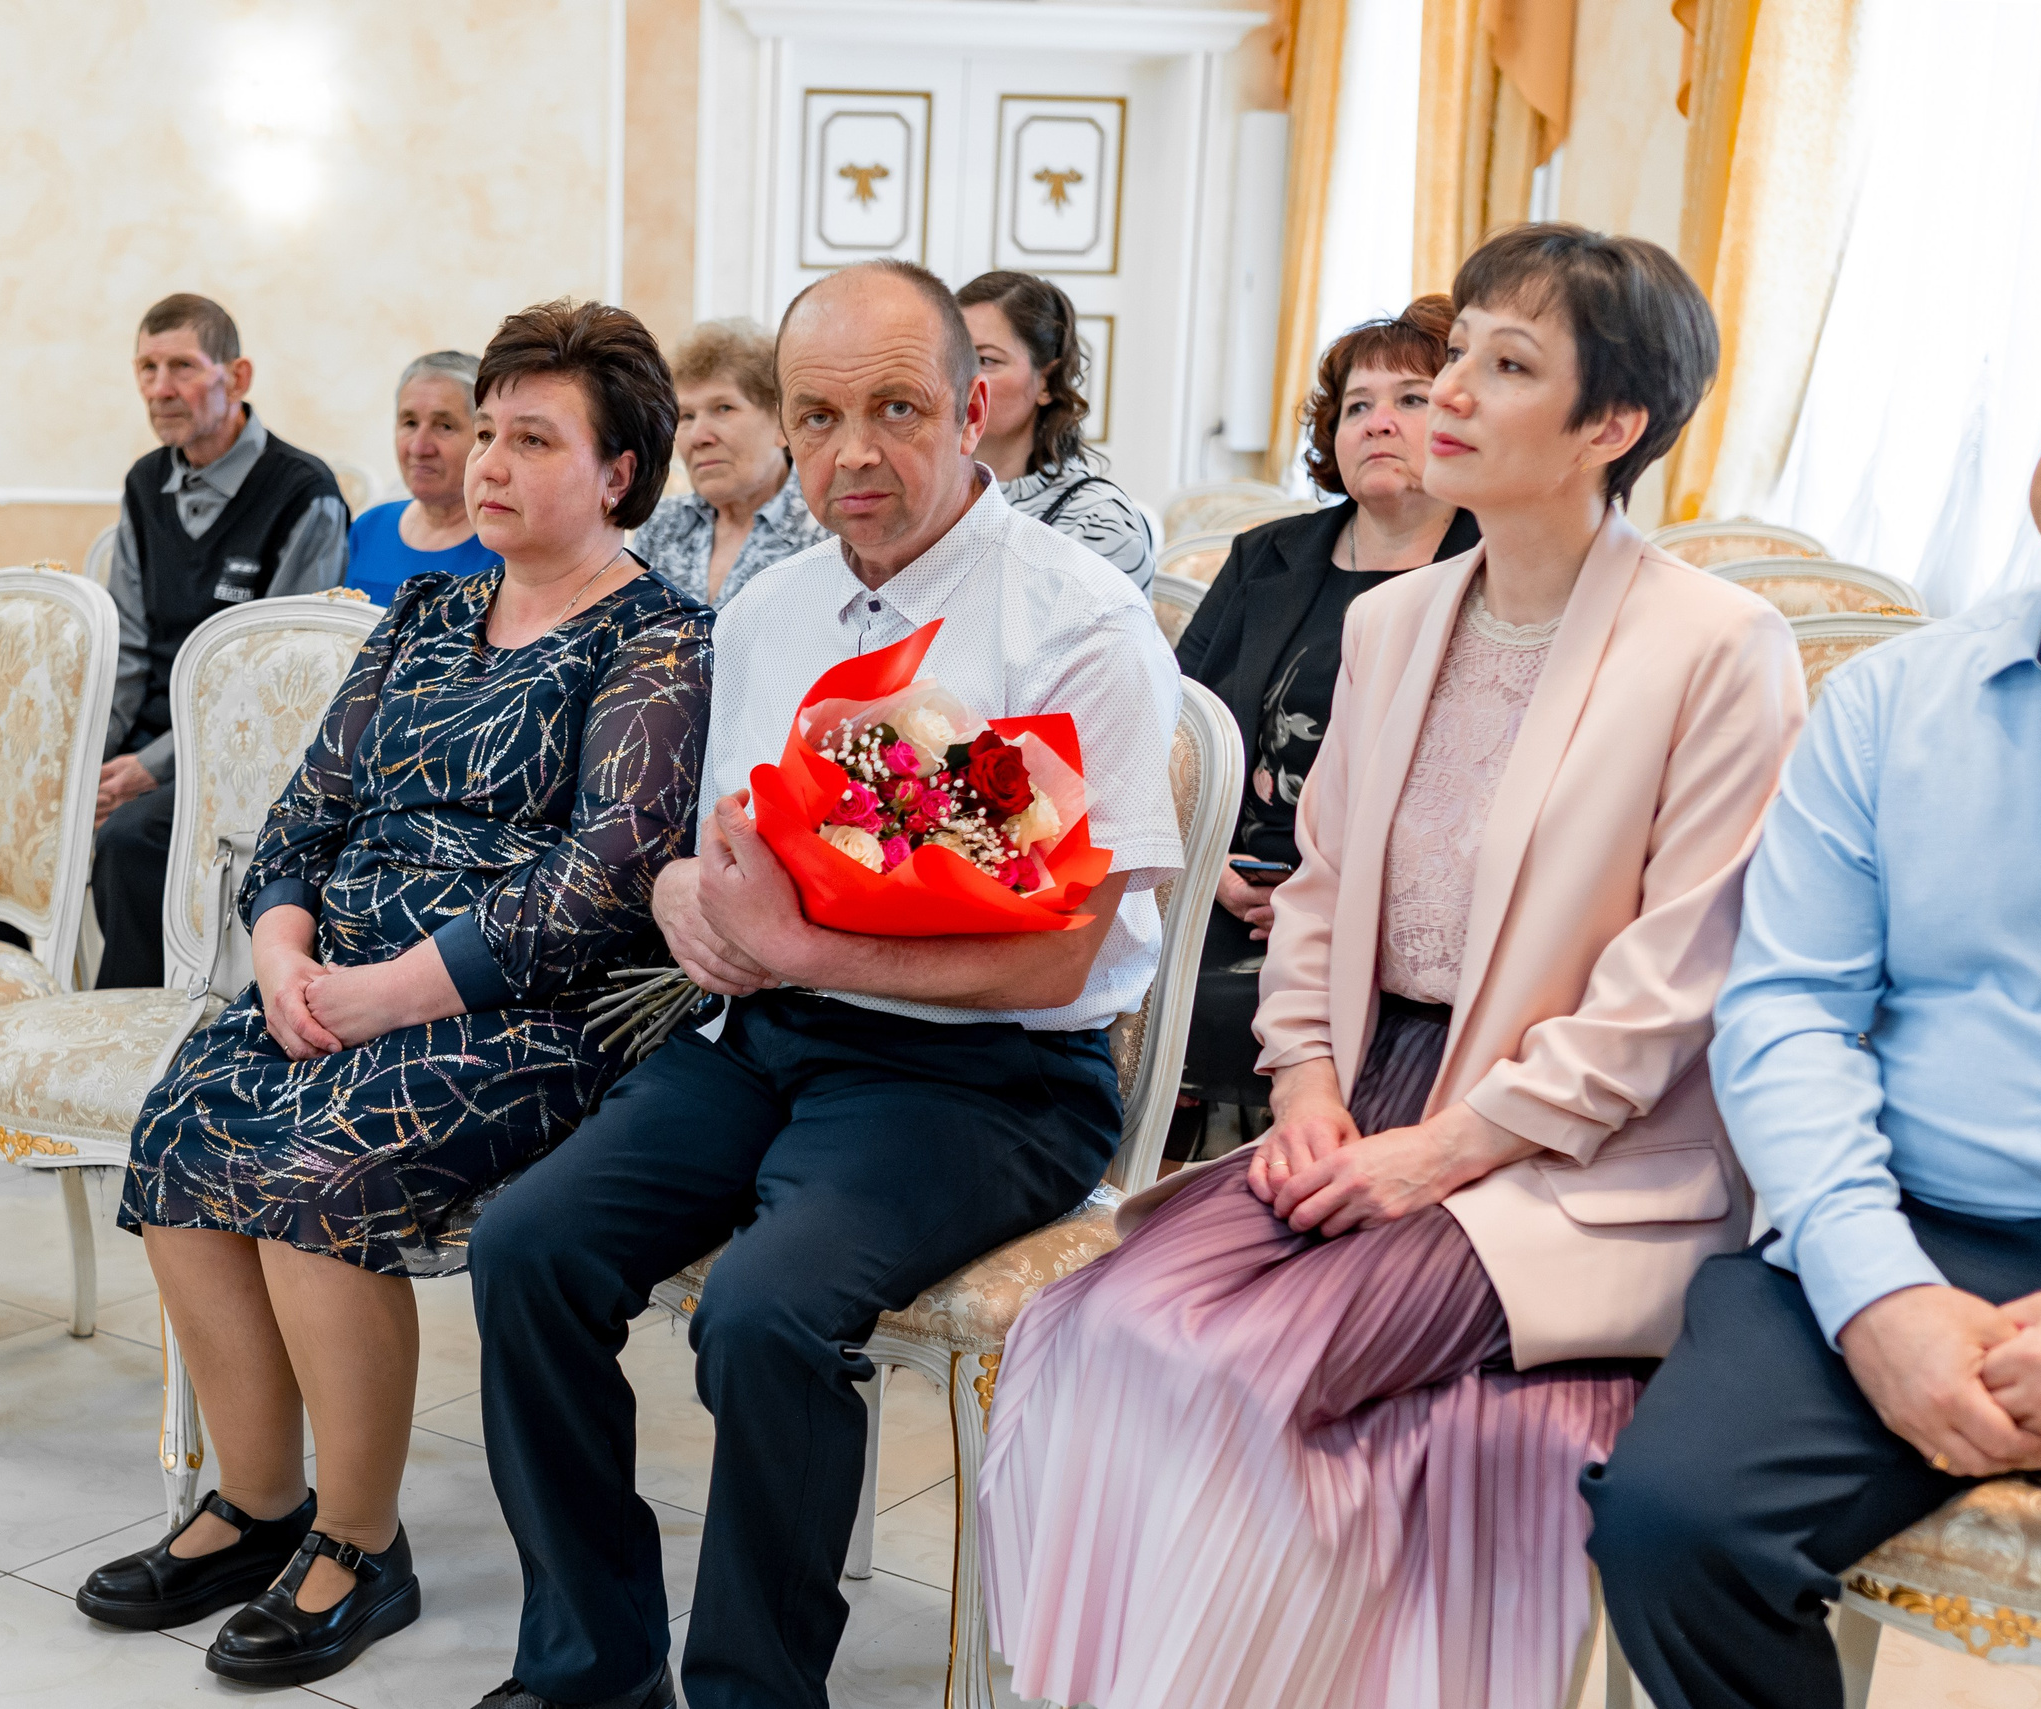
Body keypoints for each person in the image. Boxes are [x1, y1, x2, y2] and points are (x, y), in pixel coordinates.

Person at [975, 224, 1806, 1709]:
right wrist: (1300, 1082)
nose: (1448, 390)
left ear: (1609, 427)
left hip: (1572, 1142)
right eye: (1458, 349)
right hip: (1366, 1084)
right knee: (1100, 1327)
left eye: (1507, 364)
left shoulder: (1720, 647)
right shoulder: (1399, 616)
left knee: (1244, 1374)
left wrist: (1437, 1157)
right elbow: (1325, 887)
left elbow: (1674, 991)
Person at [462, 259, 1182, 1709]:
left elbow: (1065, 951)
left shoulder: (1081, 622)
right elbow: (716, 851)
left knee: (766, 1314)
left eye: (898, 408)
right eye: (820, 415)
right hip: (767, 1039)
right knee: (528, 1249)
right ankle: (591, 1667)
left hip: (991, 1077)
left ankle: (753, 1691)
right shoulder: (768, 612)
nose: (856, 454)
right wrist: (689, 903)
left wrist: (801, 949)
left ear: (973, 408)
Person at [81, 300, 712, 1690]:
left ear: (619, 473)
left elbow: (598, 885)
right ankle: (258, 1505)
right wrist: (285, 951)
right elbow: (305, 809)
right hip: (337, 974)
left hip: (522, 1017)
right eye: (484, 430)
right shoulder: (426, 609)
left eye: (531, 438)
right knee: (183, 1129)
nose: (486, 461)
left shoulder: (659, 642)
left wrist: (387, 999)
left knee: (319, 1163)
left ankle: (362, 1549)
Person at [1583, 342, 2041, 1708]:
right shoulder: (1892, 704)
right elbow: (1789, 1013)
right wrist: (1879, 1296)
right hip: (1903, 1209)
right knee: (1675, 1525)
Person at [1168, 295, 1478, 1162]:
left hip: (1391, 915)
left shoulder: (1497, 569)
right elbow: (1178, 729)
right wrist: (1211, 865)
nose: (1379, 422)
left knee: (1246, 1008)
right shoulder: (1266, 556)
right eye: (1357, 405)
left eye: (1410, 399)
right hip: (1228, 886)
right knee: (1120, 978)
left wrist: (1337, 904)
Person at [91, 293, 348, 990]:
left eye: (181, 366)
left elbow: (271, 683)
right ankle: (7, 1032)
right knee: (23, 805)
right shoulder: (146, 482)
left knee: (126, 838)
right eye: (146, 367)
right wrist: (90, 759)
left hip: (242, 750)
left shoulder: (305, 493)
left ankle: (131, 1044)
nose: (159, 388)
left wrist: (148, 768)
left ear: (236, 377)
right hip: (150, 737)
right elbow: (131, 648)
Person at [956, 270, 1156, 590]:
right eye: (953, 358)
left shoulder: (1096, 522)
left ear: (1047, 381)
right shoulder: (919, 499)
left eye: (986, 359)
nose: (961, 379)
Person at [632, 318, 828, 605]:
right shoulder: (661, 527)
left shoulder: (827, 531)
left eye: (723, 408)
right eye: (686, 416)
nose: (698, 436)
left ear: (783, 425)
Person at [342, 350, 500, 604]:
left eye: (444, 426)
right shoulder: (369, 528)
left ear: (485, 436)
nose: (419, 447)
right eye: (409, 423)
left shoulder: (502, 545)